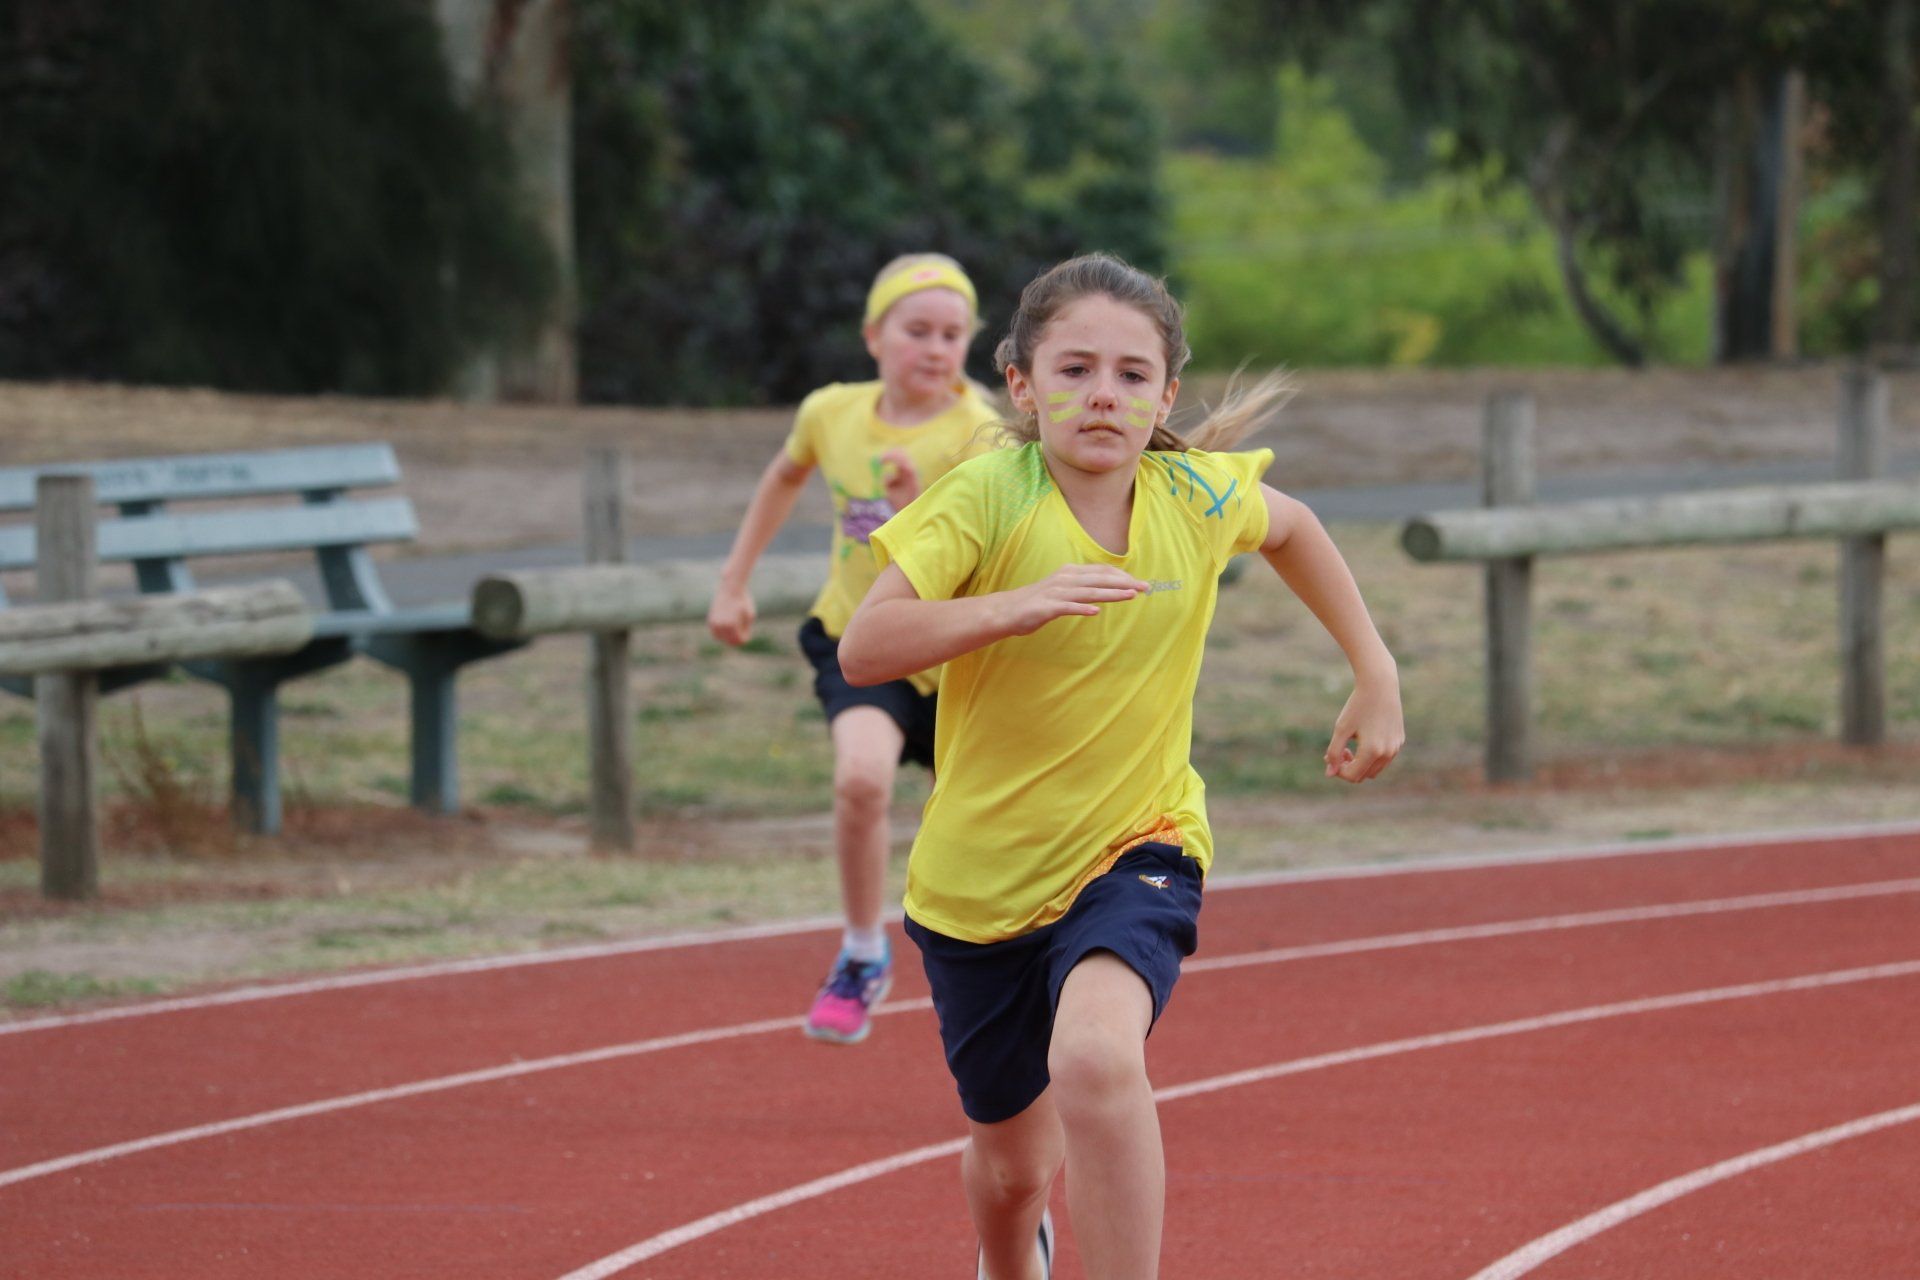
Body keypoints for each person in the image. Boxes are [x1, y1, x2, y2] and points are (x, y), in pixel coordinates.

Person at [837, 252, 1404, 1279]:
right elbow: (865, 649)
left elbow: (1293, 526)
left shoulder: (1193, 495)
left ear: (1165, 395)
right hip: (979, 885)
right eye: (1076, 369)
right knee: (1013, 1167)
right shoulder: (986, 497)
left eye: (1133, 374)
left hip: (1138, 844)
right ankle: (1010, 1257)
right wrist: (1014, 605)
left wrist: (1375, 669)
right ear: (1021, 383)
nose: (1104, 393)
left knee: (1097, 1059)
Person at [707, 253, 1000, 1045]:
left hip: (961, 653)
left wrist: (918, 509)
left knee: (967, 826)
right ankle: (864, 953)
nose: (935, 348)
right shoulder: (830, 414)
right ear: (873, 336)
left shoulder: (983, 433)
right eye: (916, 330)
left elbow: (993, 553)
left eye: (952, 334)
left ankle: (991, 960)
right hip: (862, 639)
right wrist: (734, 582)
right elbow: (783, 476)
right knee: (861, 779)